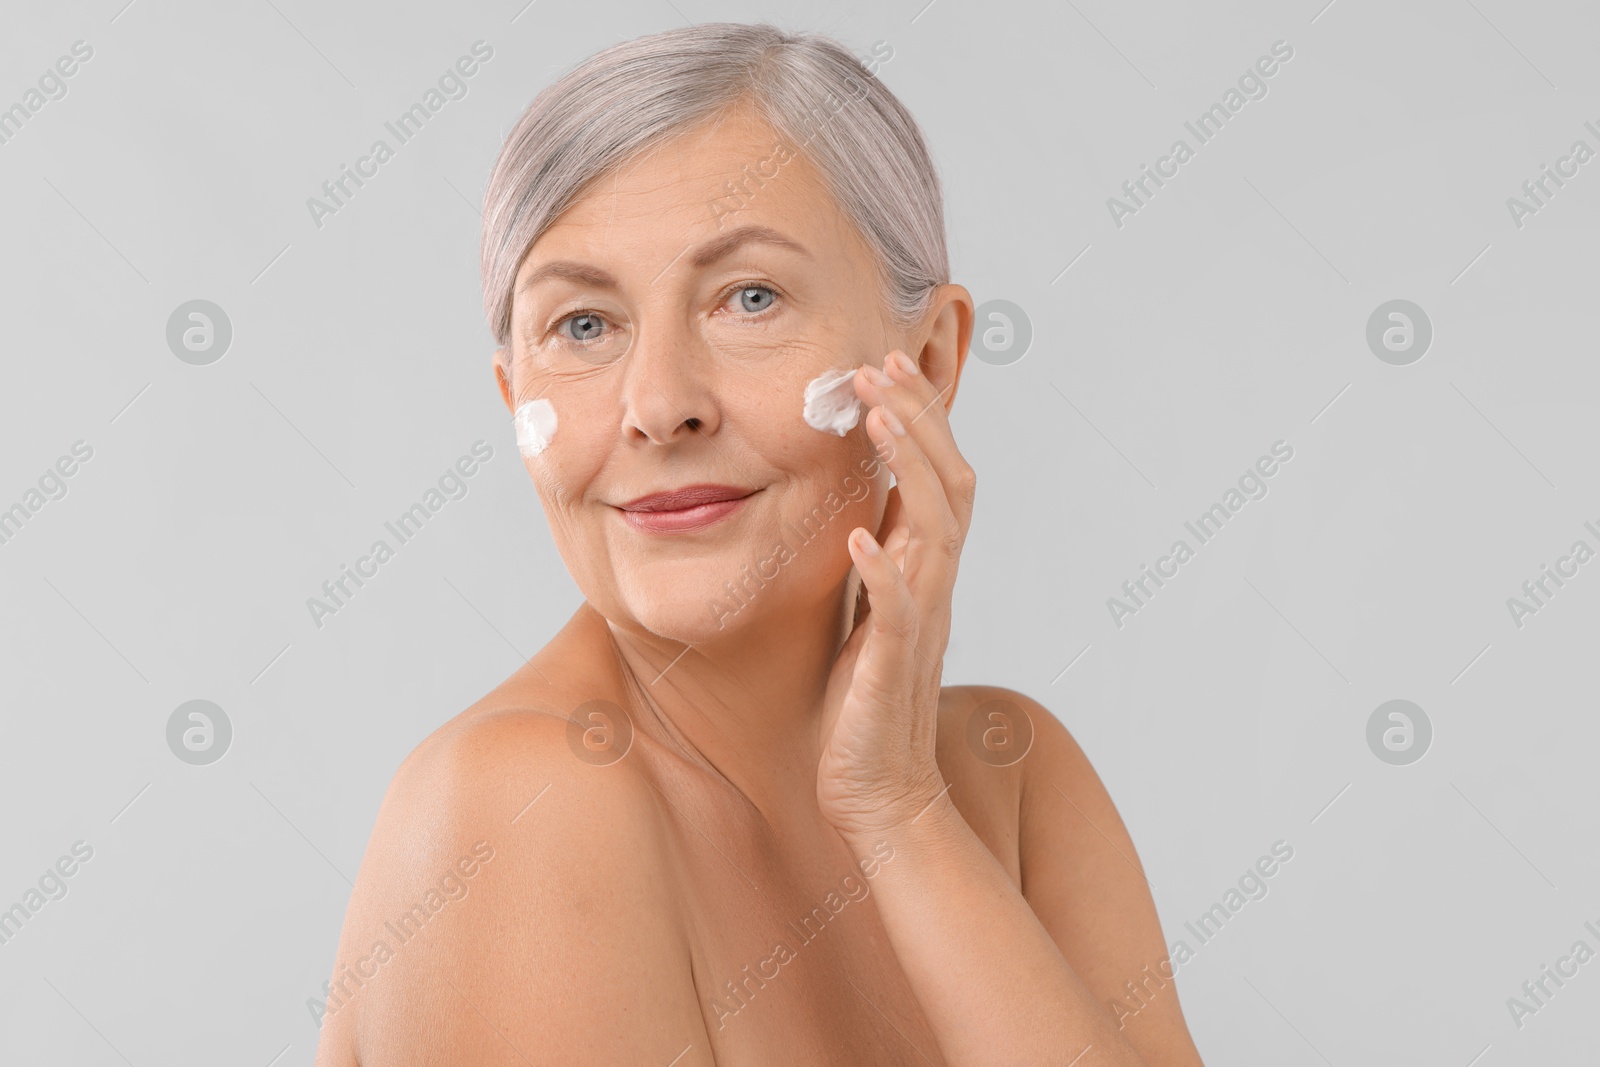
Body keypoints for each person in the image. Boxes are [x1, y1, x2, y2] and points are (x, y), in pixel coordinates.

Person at [314, 22, 1205, 1066]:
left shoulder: (1009, 776)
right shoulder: (525, 801)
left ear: (927, 356)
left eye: (749, 298)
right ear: (515, 397)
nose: (657, 407)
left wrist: (901, 814)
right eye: (585, 325)